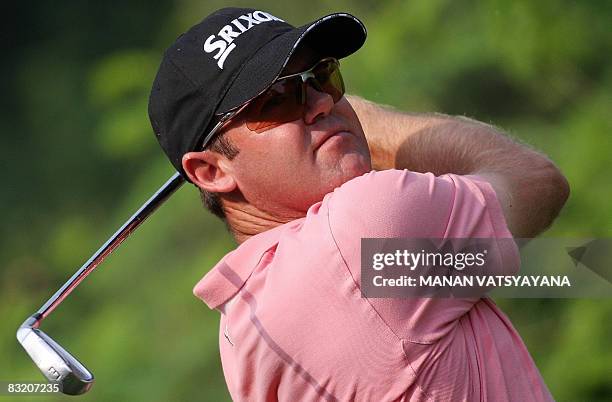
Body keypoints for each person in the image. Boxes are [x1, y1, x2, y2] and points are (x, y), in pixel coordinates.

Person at [148, 7, 569, 402]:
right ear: (210, 172)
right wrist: (365, 121)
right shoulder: (363, 227)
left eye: (322, 77)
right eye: (276, 99)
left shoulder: (239, 332)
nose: (322, 103)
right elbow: (535, 180)